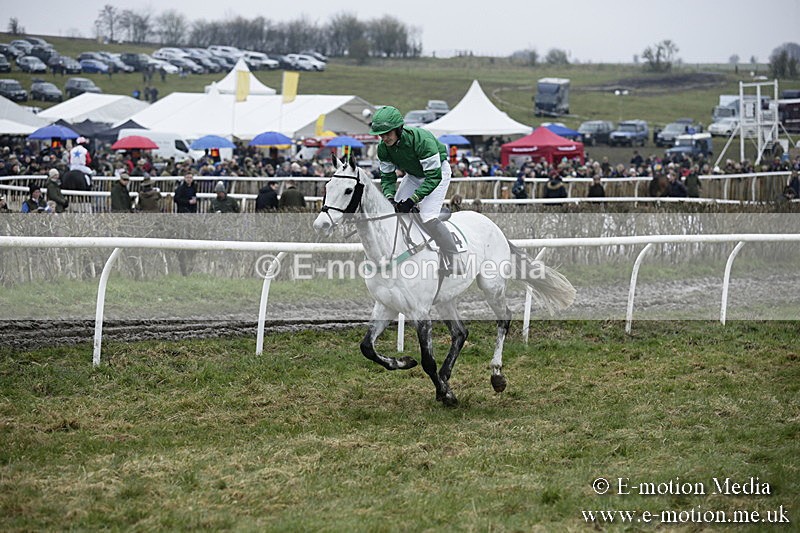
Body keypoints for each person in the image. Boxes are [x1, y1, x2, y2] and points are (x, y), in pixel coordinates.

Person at [369, 105, 461, 275]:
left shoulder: (422, 140)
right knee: (394, 212)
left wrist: (413, 200)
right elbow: (388, 177)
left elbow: (433, 177)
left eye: (387, 133)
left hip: (438, 173)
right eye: (381, 134)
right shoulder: (383, 149)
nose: (384, 138)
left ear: (398, 129)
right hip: (413, 175)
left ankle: (454, 259)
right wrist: (389, 197)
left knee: (427, 216)